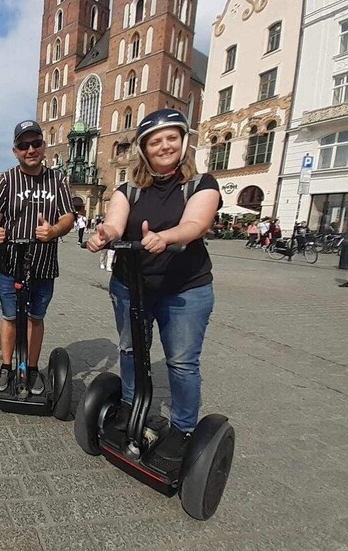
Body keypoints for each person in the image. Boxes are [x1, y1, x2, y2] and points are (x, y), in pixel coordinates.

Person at [86, 108, 221, 461]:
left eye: (171, 138)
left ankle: (183, 428)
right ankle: (133, 406)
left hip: (185, 289)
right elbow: (115, 222)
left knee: (181, 362)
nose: (164, 146)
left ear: (183, 141)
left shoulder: (201, 183)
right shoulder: (128, 189)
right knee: (131, 350)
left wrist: (167, 237)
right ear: (144, 149)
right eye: (155, 141)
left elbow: (196, 223)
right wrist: (105, 234)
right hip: (131, 285)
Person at [0, 119, 75, 394]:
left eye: (35, 143)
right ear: (15, 151)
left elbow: (68, 216)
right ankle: (7, 366)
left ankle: (32, 368)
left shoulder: (57, 179)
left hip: (44, 263)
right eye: (24, 145)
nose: (30, 149)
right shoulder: (5, 180)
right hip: (10, 262)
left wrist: (55, 230)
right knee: (10, 316)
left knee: (36, 316)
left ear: (43, 146)